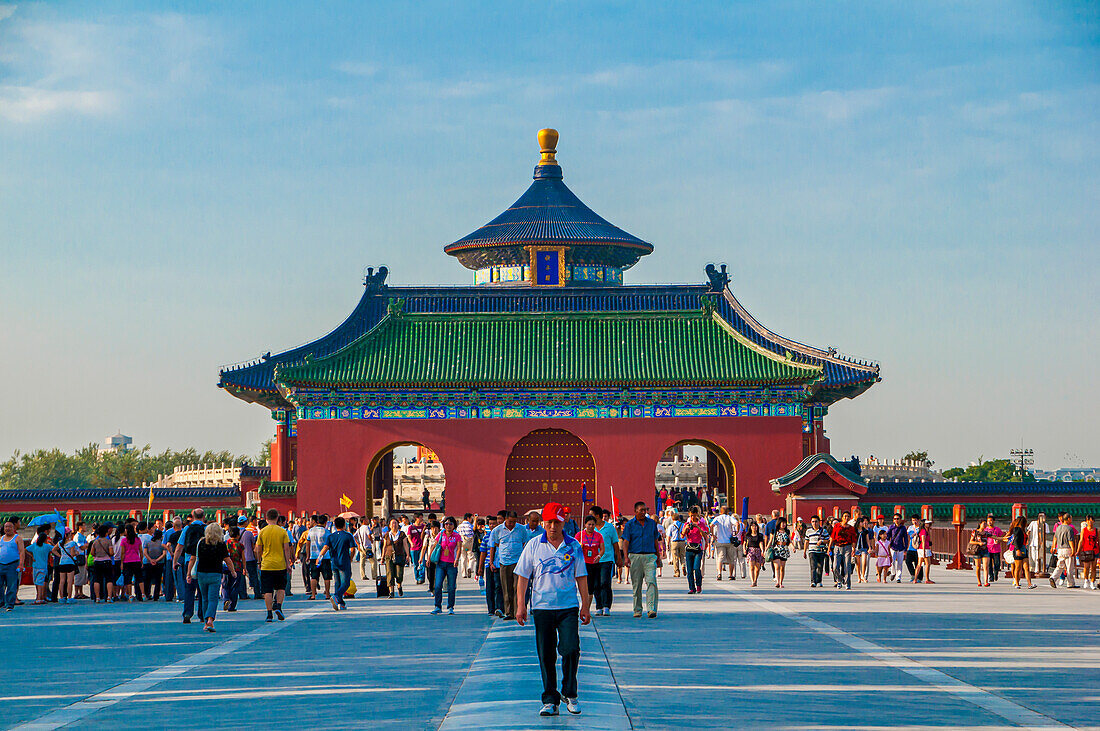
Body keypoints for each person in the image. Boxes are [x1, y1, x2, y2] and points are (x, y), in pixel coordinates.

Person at [515, 502, 590, 718]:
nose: (552, 527)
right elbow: (523, 577)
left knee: (571, 649)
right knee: (546, 654)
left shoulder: (573, 545)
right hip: (542, 607)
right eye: (548, 522)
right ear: (543, 522)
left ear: (563, 521)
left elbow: (581, 576)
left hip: (568, 606)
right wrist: (521, 605)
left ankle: (569, 692)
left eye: (556, 522)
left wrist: (585, 605)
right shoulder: (533, 545)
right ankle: (550, 699)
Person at [188, 523, 236, 633]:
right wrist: (233, 571)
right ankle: (210, 619)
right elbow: (227, 560)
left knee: (204, 598)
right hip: (215, 573)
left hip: (201, 573)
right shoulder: (220, 544)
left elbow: (192, 559)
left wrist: (188, 573)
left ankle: (206, 622)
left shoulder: (200, 543)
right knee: (213, 598)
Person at [621, 501, 660, 618]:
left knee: (651, 581)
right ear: (635, 511)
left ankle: (651, 609)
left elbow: (655, 541)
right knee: (636, 585)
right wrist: (626, 557)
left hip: (650, 556)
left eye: (645, 510)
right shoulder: (629, 525)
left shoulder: (652, 524)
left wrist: (658, 557)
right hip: (635, 556)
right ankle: (637, 609)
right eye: (641, 510)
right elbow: (625, 542)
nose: (644, 512)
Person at [490, 511, 530, 620]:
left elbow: (524, 543)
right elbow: (495, 544)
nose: (512, 524)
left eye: (514, 522)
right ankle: (509, 612)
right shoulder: (497, 530)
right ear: (505, 519)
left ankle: (518, 611)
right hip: (504, 563)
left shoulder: (521, 529)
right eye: (510, 521)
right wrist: (492, 561)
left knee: (517, 587)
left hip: (518, 562)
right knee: (506, 588)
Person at [256, 508, 292, 622]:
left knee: (267, 590)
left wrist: (259, 562)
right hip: (280, 564)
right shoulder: (282, 531)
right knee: (281, 588)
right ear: (277, 518)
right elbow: (286, 549)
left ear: (266, 519)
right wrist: (288, 563)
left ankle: (269, 614)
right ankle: (279, 606)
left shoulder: (262, 531)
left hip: (266, 565)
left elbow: (258, 549)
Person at [174, 508, 207, 622]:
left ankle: (187, 613)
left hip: (189, 561)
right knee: (203, 589)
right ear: (203, 516)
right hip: (203, 561)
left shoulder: (187, 528)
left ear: (192, 516)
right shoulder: (206, 528)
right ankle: (203, 614)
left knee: (189, 588)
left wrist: (175, 561)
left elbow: (179, 546)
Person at [317, 516, 356, 610]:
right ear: (344, 525)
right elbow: (353, 549)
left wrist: (319, 557)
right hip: (344, 562)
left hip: (334, 562)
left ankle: (340, 603)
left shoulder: (331, 536)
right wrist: (350, 558)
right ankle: (337, 596)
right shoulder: (348, 535)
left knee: (337, 583)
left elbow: (325, 548)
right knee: (346, 583)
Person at [590, 506, 621, 616]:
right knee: (596, 585)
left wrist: (618, 558)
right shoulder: (590, 528)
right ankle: (599, 606)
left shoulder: (609, 527)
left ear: (597, 516)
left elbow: (615, 544)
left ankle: (606, 606)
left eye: (591, 514)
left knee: (605, 583)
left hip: (607, 559)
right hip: (593, 560)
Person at [430, 517, 462, 614]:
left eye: (450, 524)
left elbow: (460, 548)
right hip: (441, 563)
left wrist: (457, 559)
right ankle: (437, 606)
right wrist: (429, 558)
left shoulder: (457, 536)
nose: (448, 526)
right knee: (438, 585)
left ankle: (450, 607)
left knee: (451, 586)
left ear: (454, 525)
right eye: (446, 524)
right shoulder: (441, 534)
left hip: (452, 564)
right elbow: (434, 545)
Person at [576, 516, 604, 599]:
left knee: (596, 585)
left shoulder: (598, 535)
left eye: (593, 524)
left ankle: (598, 606)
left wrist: (599, 556)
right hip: (584, 563)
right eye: (589, 524)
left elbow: (602, 549)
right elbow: (574, 549)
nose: (591, 526)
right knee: (587, 585)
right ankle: (586, 606)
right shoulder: (579, 535)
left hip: (595, 563)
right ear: (585, 525)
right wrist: (579, 547)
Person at [306, 514, 333, 600]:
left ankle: (313, 595)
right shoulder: (327, 532)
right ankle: (327, 594)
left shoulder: (311, 531)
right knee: (326, 576)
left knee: (314, 576)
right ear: (325, 522)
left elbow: (308, 544)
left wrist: (308, 555)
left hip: (313, 556)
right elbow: (329, 545)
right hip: (325, 557)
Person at [477, 514, 499, 614]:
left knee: (498, 587)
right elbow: (483, 552)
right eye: (490, 524)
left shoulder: (501, 536)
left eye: (494, 524)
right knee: (489, 587)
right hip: (487, 565)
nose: (492, 526)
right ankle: (491, 609)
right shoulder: (486, 537)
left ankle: (499, 607)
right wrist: (480, 567)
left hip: (499, 564)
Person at [0, 520, 25, 611]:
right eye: (6, 527)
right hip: (1, 564)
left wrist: (21, 564)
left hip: (13, 564)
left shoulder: (17, 538)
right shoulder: (1, 538)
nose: (7, 529)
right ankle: (1, 602)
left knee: (11, 585)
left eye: (9, 527)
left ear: (13, 528)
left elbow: (22, 552)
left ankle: (9, 604)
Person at [1005, 515, 1035, 589]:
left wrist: (1027, 535)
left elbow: (1024, 540)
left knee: (1026, 567)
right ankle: (1017, 583)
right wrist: (1017, 549)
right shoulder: (1017, 529)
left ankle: (1029, 583)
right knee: (1018, 567)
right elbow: (1015, 540)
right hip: (1018, 549)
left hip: (1024, 548)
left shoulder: (1023, 530)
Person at [1049, 513, 1078, 589]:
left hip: (1060, 549)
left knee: (1060, 566)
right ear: (1068, 519)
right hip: (1067, 549)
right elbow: (1070, 540)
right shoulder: (1069, 529)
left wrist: (1053, 547)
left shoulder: (1058, 528)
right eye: (1071, 518)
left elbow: (1055, 538)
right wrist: (1073, 550)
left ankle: (1053, 577)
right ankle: (1070, 583)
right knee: (1069, 567)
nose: (1071, 520)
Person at [829, 512, 856, 590]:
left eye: (848, 516)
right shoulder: (837, 526)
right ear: (842, 517)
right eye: (845, 516)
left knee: (847, 566)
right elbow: (832, 537)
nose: (846, 518)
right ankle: (840, 580)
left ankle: (847, 583)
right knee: (835, 567)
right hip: (837, 547)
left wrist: (853, 549)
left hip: (847, 547)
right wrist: (829, 548)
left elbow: (853, 540)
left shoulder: (851, 528)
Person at [682, 507, 707, 594]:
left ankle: (699, 585)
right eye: (691, 515)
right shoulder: (686, 523)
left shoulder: (701, 524)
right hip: (689, 548)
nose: (693, 517)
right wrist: (686, 528)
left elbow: (705, 535)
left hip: (698, 549)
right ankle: (692, 588)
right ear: (689, 514)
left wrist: (698, 527)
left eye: (695, 515)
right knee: (689, 570)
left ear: (697, 514)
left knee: (696, 568)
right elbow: (682, 535)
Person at [382, 518, 408, 597]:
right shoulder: (387, 535)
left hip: (399, 556)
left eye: (395, 523)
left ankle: (399, 586)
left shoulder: (402, 534)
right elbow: (384, 546)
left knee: (399, 573)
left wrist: (407, 555)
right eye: (392, 523)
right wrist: (382, 557)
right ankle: (391, 592)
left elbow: (405, 544)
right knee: (389, 573)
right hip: (389, 556)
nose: (394, 525)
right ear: (389, 525)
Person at [710, 506, 738, 581]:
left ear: (721, 511)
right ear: (728, 511)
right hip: (729, 541)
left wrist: (713, 535)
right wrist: (736, 533)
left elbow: (711, 525)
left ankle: (719, 573)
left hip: (720, 541)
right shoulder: (730, 518)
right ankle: (731, 575)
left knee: (720, 558)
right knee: (731, 559)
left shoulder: (718, 518)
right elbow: (737, 523)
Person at [803, 515, 829, 587]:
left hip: (821, 551)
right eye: (813, 522)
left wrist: (822, 541)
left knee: (820, 567)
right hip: (812, 551)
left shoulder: (823, 531)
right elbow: (806, 541)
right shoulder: (808, 531)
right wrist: (804, 551)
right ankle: (813, 581)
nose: (814, 523)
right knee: (813, 566)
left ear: (819, 522)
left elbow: (828, 540)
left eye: (816, 521)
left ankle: (819, 580)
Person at [767, 517, 791, 588]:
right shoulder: (774, 531)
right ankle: (777, 582)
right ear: (779, 523)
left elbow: (789, 541)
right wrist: (766, 549)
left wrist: (793, 548)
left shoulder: (787, 531)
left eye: (784, 523)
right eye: (782, 523)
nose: (783, 524)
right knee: (777, 566)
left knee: (782, 568)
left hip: (784, 550)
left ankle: (781, 582)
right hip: (776, 549)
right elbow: (770, 541)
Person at [142, 529, 166, 601]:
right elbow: (164, 554)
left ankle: (147, 594)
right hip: (159, 563)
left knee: (147, 579)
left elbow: (145, 553)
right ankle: (156, 595)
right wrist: (157, 560)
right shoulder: (162, 543)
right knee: (157, 580)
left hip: (148, 563)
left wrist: (150, 559)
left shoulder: (147, 542)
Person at [743, 521, 766, 587]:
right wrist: (744, 549)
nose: (754, 527)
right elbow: (745, 543)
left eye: (755, 526)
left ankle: (755, 580)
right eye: (752, 526)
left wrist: (762, 550)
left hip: (758, 551)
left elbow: (761, 543)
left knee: (757, 568)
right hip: (750, 551)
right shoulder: (748, 535)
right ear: (750, 527)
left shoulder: (760, 535)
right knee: (751, 567)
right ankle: (753, 581)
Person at [1077, 515, 1096, 590]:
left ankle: (1092, 582)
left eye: (1091, 520)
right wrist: (1078, 550)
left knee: (1093, 567)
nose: (1089, 522)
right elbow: (1081, 541)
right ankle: (1086, 580)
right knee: (1086, 567)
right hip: (1086, 550)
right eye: (1088, 520)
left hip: (1095, 550)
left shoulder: (1096, 530)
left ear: (1093, 521)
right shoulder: (1084, 530)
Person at [983, 515, 1004, 584]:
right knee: (989, 564)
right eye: (988, 521)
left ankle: (996, 573)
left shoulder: (997, 529)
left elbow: (1001, 536)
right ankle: (991, 576)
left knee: (997, 563)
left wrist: (998, 540)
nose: (990, 522)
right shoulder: (985, 530)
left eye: (991, 521)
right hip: (988, 548)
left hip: (996, 549)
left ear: (994, 521)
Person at [407, 515, 428, 584]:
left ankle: (421, 578)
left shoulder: (423, 527)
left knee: (422, 563)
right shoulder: (411, 527)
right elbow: (409, 536)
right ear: (416, 518)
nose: (422, 518)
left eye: (422, 517)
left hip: (422, 548)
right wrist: (411, 543)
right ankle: (417, 577)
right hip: (413, 548)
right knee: (415, 564)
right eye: (420, 517)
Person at [457, 513, 477, 578]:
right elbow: (474, 529)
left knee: (463, 558)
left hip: (462, 543)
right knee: (471, 557)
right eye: (471, 518)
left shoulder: (459, 526)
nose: (472, 520)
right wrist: (476, 520)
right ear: (468, 518)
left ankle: (464, 574)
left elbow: (457, 533)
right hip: (469, 543)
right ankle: (470, 568)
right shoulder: (470, 525)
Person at [853, 516, 872, 583]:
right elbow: (854, 540)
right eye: (861, 522)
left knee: (864, 562)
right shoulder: (855, 530)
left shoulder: (865, 531)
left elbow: (867, 540)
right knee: (858, 563)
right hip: (857, 548)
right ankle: (859, 577)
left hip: (864, 548)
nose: (863, 523)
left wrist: (869, 547)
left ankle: (863, 575)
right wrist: (853, 548)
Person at [916, 519, 935, 584]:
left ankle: (915, 579)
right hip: (924, 549)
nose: (928, 524)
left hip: (922, 549)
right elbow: (923, 541)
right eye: (927, 523)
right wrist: (924, 552)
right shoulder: (923, 531)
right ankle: (927, 579)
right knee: (927, 564)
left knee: (919, 564)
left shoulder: (924, 530)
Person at [667, 512, 685, 577]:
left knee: (675, 558)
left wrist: (667, 545)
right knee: (682, 556)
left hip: (674, 542)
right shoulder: (683, 525)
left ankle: (677, 572)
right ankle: (683, 565)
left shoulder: (671, 526)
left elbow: (669, 536)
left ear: (672, 518)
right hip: (682, 542)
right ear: (679, 518)